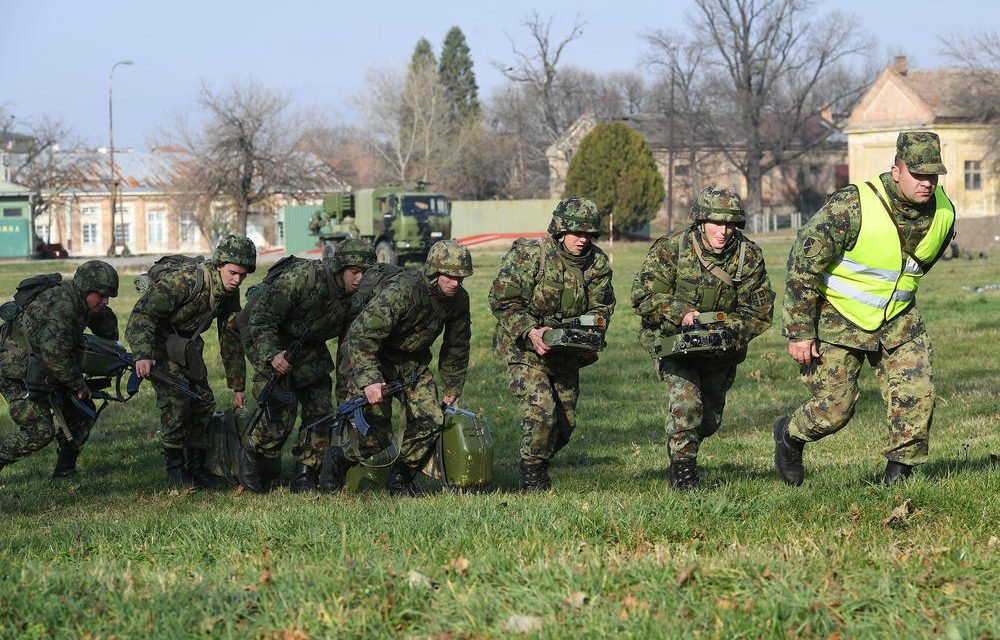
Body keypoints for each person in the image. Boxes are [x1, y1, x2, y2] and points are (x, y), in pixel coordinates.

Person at [775, 131, 956, 486]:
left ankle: (898, 477)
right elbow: (803, 263)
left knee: (917, 395)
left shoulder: (944, 212)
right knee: (834, 410)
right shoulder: (853, 205)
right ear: (896, 170)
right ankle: (789, 436)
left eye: (933, 175)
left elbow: (916, 268)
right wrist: (799, 332)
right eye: (918, 174)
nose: (926, 183)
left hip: (899, 320)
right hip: (839, 318)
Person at [631, 186, 774, 490]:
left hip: (720, 350)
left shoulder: (747, 256)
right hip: (674, 344)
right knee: (687, 407)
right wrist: (679, 312)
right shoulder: (672, 249)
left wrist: (729, 332)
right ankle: (684, 475)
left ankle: (684, 443)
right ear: (700, 221)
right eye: (717, 223)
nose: (724, 231)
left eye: (731, 224)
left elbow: (758, 310)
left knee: (708, 420)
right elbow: (643, 295)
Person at [489, 196, 616, 492]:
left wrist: (585, 332)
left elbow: (603, 308)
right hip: (525, 347)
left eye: (589, 234)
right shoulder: (532, 255)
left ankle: (538, 459)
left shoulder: (596, 263)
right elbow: (502, 300)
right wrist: (531, 331)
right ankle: (532, 475)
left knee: (565, 423)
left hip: (567, 351)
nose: (583, 240)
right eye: (576, 232)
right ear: (559, 229)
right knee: (542, 410)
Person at [238, 238, 376, 494]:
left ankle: (305, 474)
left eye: (365, 273)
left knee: (320, 414)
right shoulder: (303, 278)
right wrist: (271, 355)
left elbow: (349, 346)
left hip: (310, 349)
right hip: (274, 340)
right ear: (340, 267)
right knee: (278, 417)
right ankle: (250, 457)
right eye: (354, 272)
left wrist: (347, 393)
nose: (359, 279)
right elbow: (262, 317)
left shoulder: (356, 300)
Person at [336, 240, 472, 497]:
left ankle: (400, 479)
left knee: (430, 419)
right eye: (449, 276)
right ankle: (335, 463)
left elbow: (457, 344)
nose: (455, 282)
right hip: (376, 360)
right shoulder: (403, 290)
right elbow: (360, 337)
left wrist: (453, 384)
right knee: (375, 436)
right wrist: (370, 380)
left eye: (461, 277)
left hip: (412, 365)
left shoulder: (458, 300)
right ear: (434, 271)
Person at [126, 235, 256, 487]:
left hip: (187, 347)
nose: (236, 279)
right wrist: (142, 354)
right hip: (159, 344)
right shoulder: (185, 281)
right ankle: (175, 468)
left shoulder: (229, 293)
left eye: (243, 275)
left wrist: (237, 385)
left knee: (204, 402)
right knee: (176, 400)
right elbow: (142, 316)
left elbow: (230, 337)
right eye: (232, 272)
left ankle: (197, 467)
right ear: (219, 264)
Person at [0, 261, 120, 479]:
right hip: (16, 370)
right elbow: (55, 355)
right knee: (38, 432)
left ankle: (65, 469)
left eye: (108, 296)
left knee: (82, 414)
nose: (106, 300)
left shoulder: (82, 303)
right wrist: (78, 385)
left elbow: (110, 334)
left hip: (46, 367)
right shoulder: (61, 306)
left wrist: (102, 312)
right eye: (101, 295)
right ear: (85, 288)